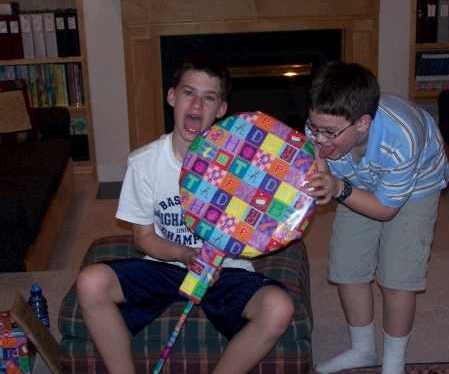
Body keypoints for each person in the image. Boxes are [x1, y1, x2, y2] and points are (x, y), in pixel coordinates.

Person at [76, 54, 294, 374]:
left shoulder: (243, 166)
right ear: (172, 97)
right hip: (166, 266)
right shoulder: (144, 163)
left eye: (209, 98)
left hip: (225, 269)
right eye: (189, 93)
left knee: (279, 307)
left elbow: (276, 203)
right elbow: (143, 239)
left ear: (221, 110)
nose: (196, 105)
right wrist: (184, 254)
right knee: (90, 282)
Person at [304, 61, 449, 374]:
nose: (320, 137)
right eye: (314, 127)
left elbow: (386, 209)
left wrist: (339, 189)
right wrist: (322, 178)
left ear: (363, 123)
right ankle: (363, 350)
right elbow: (319, 159)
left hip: (415, 187)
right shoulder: (320, 127)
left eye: (329, 132)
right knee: (347, 266)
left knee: (398, 277)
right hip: (358, 180)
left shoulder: (401, 140)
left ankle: (394, 362)